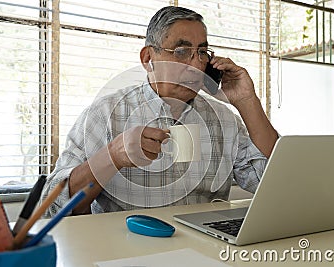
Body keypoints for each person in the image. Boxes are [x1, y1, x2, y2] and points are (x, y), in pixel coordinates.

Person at [40, 6, 278, 217]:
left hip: (206, 249)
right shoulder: (105, 114)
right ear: (148, 58)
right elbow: (51, 206)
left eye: (202, 53)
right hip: (124, 249)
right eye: (182, 51)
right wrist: (112, 156)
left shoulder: (224, 120)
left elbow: (275, 183)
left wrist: (247, 101)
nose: (197, 65)